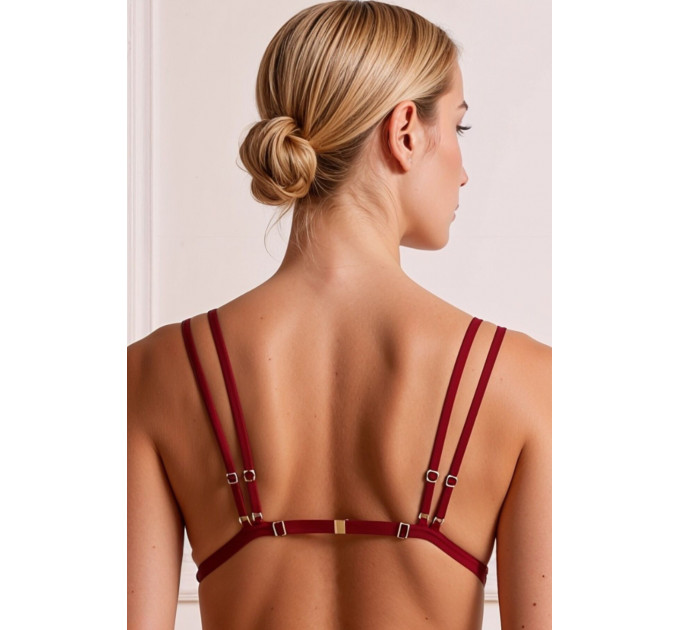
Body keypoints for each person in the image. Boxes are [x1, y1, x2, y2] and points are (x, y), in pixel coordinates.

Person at [128, 1, 551, 628]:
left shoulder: (152, 373)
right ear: (406, 132)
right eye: (458, 129)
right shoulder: (524, 381)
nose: (464, 174)